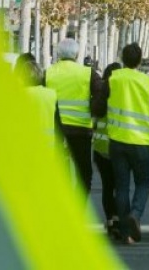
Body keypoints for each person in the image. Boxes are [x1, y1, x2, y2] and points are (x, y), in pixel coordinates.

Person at [92, 44, 149, 244]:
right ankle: (135, 215)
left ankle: (126, 232)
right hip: (141, 142)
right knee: (143, 183)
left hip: (117, 141)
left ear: (122, 58)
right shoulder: (148, 82)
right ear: (140, 60)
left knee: (121, 186)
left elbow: (99, 107)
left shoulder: (113, 80)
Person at [45, 38, 101, 195]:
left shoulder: (49, 72)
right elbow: (100, 95)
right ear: (77, 55)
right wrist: (94, 114)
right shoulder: (87, 73)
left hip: (56, 130)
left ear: (58, 54)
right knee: (84, 172)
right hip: (81, 130)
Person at [93, 62, 122, 239]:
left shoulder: (100, 95)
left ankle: (110, 220)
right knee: (121, 186)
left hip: (101, 147)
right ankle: (119, 219)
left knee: (107, 186)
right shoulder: (123, 95)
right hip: (121, 145)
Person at [14, 53, 59, 146]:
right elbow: (57, 122)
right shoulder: (52, 94)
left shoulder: (18, 95)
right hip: (48, 145)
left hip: (26, 144)